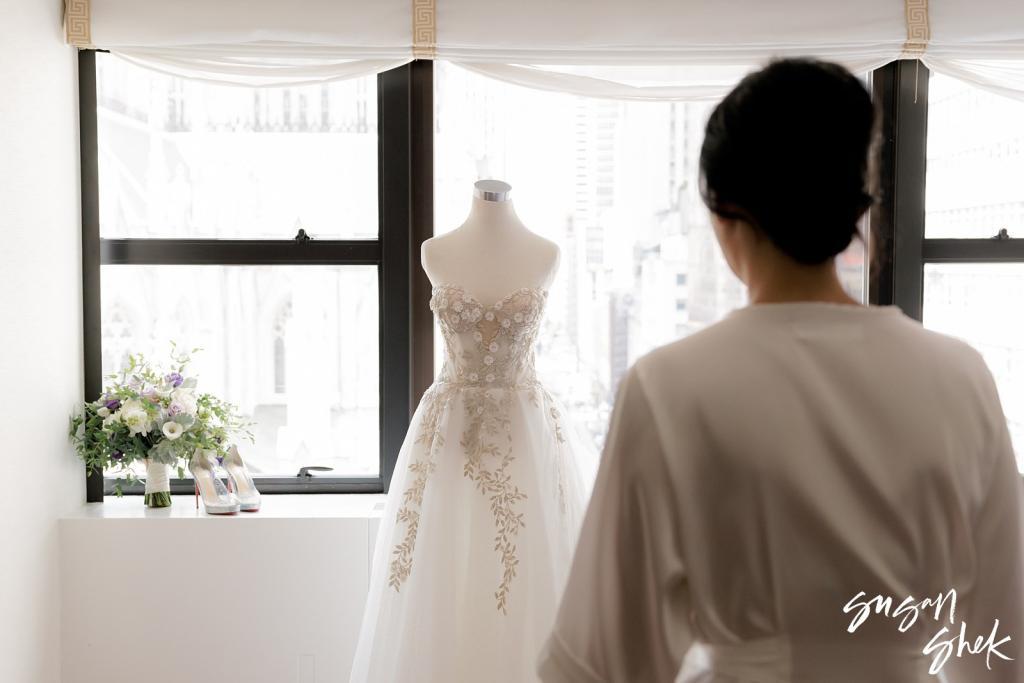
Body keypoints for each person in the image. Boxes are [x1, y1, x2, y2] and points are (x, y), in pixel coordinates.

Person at [537, 59, 1024, 683]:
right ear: (854, 207)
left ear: (723, 210)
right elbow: (998, 642)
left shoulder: (669, 388)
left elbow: (601, 658)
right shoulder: (963, 379)